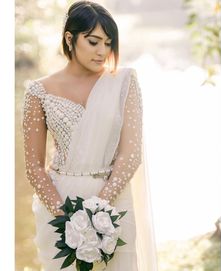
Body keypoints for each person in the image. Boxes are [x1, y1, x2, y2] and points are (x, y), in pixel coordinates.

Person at [22, 1, 158, 270]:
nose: (102, 51)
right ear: (70, 38)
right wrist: (66, 217)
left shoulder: (124, 82)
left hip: (114, 204)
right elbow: (34, 168)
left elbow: (130, 155)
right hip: (58, 207)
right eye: (93, 41)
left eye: (108, 43)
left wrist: (99, 210)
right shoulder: (38, 92)